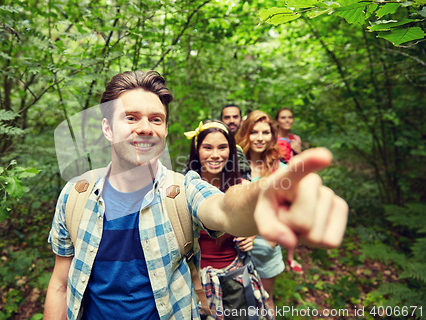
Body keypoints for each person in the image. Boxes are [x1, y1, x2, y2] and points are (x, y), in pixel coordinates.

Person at [44, 70, 348, 320]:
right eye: (131, 118)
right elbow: (60, 285)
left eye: (156, 119)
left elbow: (224, 208)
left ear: (164, 129)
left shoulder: (183, 189)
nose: (146, 128)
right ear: (108, 129)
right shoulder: (76, 195)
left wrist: (265, 197)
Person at [184, 120, 267, 319]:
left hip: (235, 280)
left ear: (231, 151)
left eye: (222, 147)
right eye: (207, 147)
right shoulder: (182, 189)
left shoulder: (242, 188)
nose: (215, 154)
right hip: (194, 282)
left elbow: (262, 218)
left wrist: (252, 233)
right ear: (197, 150)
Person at [234, 110, 289, 316]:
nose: (259, 138)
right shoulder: (233, 165)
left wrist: (259, 234)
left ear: (272, 136)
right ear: (246, 133)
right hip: (235, 247)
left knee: (265, 300)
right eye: (254, 132)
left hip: (266, 246)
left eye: (265, 132)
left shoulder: (281, 170)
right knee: (237, 303)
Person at [275, 108, 304, 273]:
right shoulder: (272, 137)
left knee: (293, 216)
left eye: (290, 117)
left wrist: (297, 150)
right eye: (283, 117)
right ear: (277, 120)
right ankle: (275, 248)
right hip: (278, 179)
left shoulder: (295, 139)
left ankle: (291, 257)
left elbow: (300, 162)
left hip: (294, 180)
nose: (287, 120)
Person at [220, 105, 251, 180]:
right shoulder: (215, 146)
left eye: (235, 117)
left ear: (241, 120)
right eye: (227, 117)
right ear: (221, 121)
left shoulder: (251, 143)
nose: (231, 121)